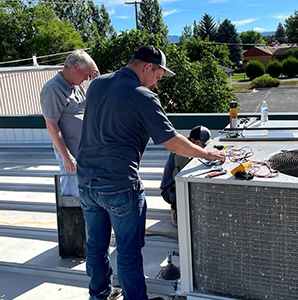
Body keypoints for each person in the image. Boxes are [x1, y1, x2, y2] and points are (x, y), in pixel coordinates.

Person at [77, 45, 225, 300]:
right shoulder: (142, 96)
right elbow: (172, 141)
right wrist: (207, 154)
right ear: (147, 67)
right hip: (120, 185)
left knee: (96, 246)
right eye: (157, 77)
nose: (156, 84)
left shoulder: (97, 84)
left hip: (86, 182)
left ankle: (97, 295)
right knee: (128, 251)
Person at [40, 50, 99, 196]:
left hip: (85, 150)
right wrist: (66, 156)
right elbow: (51, 124)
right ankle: (71, 217)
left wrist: (96, 79)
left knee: (87, 193)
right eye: (86, 74)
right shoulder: (53, 88)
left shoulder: (76, 86)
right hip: (71, 152)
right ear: (75, 68)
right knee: (73, 192)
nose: (87, 78)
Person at [160, 125, 212, 228]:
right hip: (170, 192)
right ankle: (178, 214)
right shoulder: (181, 154)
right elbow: (187, 181)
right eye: (204, 145)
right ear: (194, 142)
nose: (206, 148)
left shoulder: (192, 149)